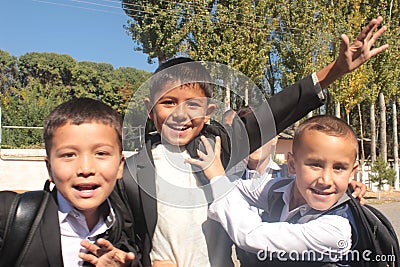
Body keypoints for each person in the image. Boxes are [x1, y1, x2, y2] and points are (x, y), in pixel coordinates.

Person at [123, 16, 387, 267]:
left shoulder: (219, 147)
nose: (180, 114)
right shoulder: (130, 172)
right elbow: (123, 241)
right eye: (168, 103)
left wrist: (334, 71)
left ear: (208, 112)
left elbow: (273, 112)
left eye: (192, 105)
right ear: (149, 109)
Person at [187, 115, 360, 266]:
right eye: (315, 165)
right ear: (292, 164)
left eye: (339, 168)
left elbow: (251, 236)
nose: (326, 180)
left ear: (352, 172)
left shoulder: (336, 230)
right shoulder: (279, 190)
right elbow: (237, 188)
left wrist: (217, 177)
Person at [0, 98, 141, 267]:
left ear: (120, 166)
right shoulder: (9, 216)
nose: (86, 168)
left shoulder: (129, 224)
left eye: (101, 153)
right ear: (49, 167)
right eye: (69, 155)